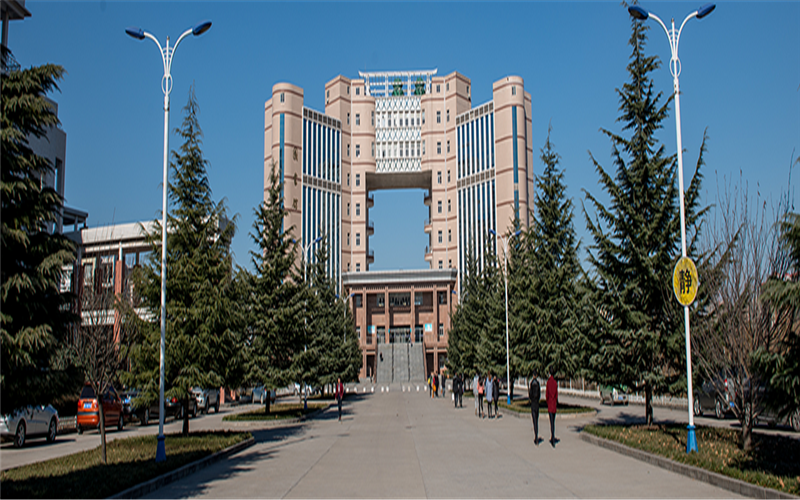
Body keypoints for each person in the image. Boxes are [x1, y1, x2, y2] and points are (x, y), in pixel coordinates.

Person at [529, 372, 541, 445]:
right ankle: (536, 435)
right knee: (536, 419)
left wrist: (531, 399)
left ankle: (536, 436)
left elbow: (530, 394)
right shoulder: (538, 384)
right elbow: (539, 394)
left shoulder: (531, 383)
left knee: (534, 421)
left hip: (533, 403)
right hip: (537, 403)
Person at [546, 370, 558, 447]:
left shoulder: (548, 382)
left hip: (550, 405)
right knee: (553, 422)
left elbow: (547, 394)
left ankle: (552, 437)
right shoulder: (555, 383)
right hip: (554, 405)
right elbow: (556, 395)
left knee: (551, 423)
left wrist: (548, 402)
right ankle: (553, 436)